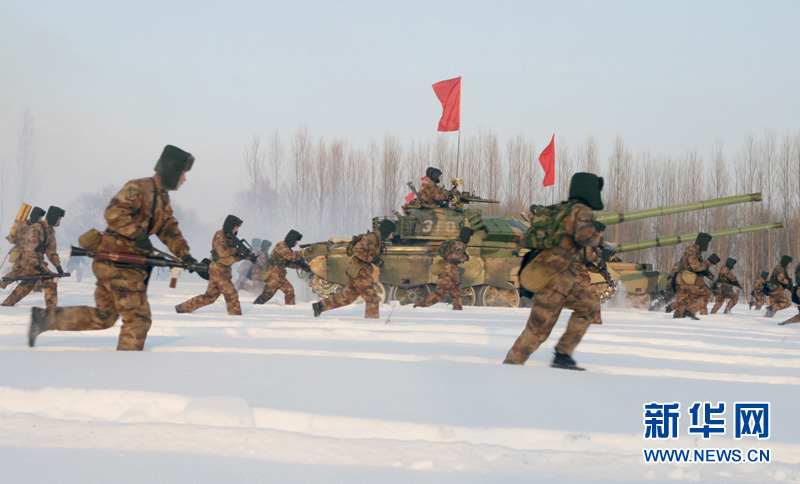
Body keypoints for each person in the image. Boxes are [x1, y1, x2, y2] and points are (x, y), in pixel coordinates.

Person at [28, 145, 197, 351]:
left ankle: (44, 319)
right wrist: (137, 234)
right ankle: (125, 372)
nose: (184, 180)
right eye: (183, 174)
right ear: (171, 170)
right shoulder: (139, 188)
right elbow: (114, 212)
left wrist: (186, 255)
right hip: (118, 263)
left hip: (120, 264)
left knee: (105, 316)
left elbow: (168, 228)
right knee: (138, 320)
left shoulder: (162, 199)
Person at [504, 172, 605, 370]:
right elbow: (585, 236)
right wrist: (599, 240)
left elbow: (528, 237)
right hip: (555, 276)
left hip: (559, 275)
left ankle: (563, 355)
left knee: (588, 305)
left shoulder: (558, 210)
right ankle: (511, 365)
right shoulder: (581, 210)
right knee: (538, 329)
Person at [313, 219, 396, 319]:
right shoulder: (372, 237)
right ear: (386, 230)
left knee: (348, 297)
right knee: (372, 298)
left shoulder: (377, 238)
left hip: (356, 271)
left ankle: (320, 306)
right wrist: (373, 259)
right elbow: (357, 250)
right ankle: (372, 322)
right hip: (361, 271)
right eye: (391, 232)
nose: (392, 235)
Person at [176, 215, 247, 315]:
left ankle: (183, 308)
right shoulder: (220, 235)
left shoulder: (230, 238)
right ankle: (236, 319)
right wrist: (237, 250)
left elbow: (232, 257)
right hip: (218, 270)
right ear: (230, 226)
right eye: (236, 227)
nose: (237, 229)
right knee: (231, 295)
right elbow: (222, 253)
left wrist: (244, 255)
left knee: (210, 297)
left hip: (222, 270)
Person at [2, 206, 65, 308]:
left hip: (38, 261)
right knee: (50, 278)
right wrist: (36, 266)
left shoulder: (51, 231)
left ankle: (6, 304)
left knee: (28, 283)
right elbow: (29, 250)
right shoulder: (36, 228)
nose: (59, 222)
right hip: (28, 260)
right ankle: (52, 309)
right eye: (59, 219)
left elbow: (51, 251)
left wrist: (58, 266)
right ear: (53, 217)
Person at [413, 227, 473, 310]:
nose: (471, 238)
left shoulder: (458, 243)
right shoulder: (459, 244)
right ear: (467, 235)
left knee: (456, 292)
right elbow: (456, 256)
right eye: (470, 236)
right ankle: (421, 305)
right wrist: (465, 257)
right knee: (440, 293)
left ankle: (458, 310)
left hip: (452, 272)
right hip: (447, 272)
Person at [253, 230, 305, 305]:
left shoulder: (287, 249)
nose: (296, 243)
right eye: (296, 241)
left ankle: (290, 308)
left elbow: (288, 263)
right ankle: (255, 307)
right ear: (292, 239)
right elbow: (290, 255)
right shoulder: (281, 245)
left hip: (279, 276)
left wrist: (302, 266)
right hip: (273, 275)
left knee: (289, 290)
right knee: (267, 294)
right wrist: (300, 257)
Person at [1, 206, 45, 289]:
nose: (41, 220)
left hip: (28, 253)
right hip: (21, 253)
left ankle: (37, 288)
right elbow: (24, 239)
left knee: (35, 269)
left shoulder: (33, 226)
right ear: (35, 216)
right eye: (40, 217)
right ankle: (2, 283)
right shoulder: (24, 225)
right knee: (16, 272)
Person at [672, 233, 713, 320]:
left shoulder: (693, 251)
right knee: (708, 294)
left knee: (682, 304)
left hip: (681, 281)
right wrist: (707, 263)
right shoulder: (692, 250)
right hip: (688, 281)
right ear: (702, 242)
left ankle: (676, 323)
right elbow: (695, 267)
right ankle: (690, 311)